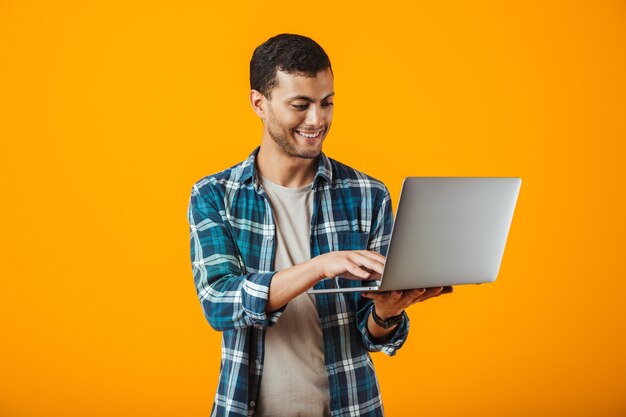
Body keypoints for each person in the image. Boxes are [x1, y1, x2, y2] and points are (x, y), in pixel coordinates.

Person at [187, 33, 452, 417]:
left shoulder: (369, 195)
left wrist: (387, 312)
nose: (317, 119)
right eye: (301, 105)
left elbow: (372, 335)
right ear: (258, 103)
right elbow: (219, 303)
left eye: (326, 103)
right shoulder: (215, 195)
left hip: (352, 407)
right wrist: (320, 266)